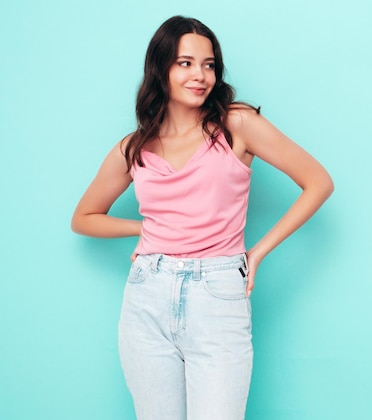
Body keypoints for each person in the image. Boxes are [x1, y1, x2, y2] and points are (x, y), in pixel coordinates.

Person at [71, 15, 333, 420]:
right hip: (147, 296)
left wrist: (258, 252)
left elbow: (318, 182)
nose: (200, 75)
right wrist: (145, 229)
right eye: (185, 63)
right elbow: (84, 217)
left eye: (209, 64)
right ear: (161, 69)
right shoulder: (134, 147)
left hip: (218, 294)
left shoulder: (236, 124)